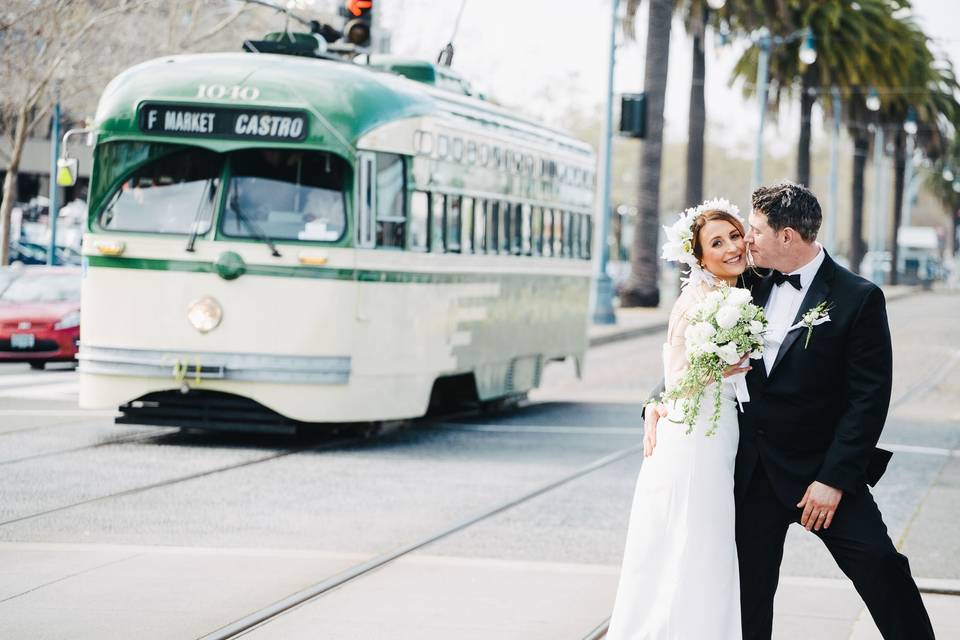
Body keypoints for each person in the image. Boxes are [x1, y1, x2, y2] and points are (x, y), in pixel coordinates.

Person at [643, 182, 934, 640]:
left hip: (821, 472)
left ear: (786, 237)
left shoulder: (858, 297)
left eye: (754, 230)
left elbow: (869, 398)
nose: (745, 240)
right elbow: (697, 349)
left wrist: (834, 480)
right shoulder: (746, 283)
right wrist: (655, 403)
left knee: (882, 567)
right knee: (748, 594)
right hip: (753, 473)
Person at [607, 199, 752, 640]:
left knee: (707, 541)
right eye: (717, 242)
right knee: (693, 538)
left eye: (734, 235)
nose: (732, 247)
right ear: (699, 256)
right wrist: (717, 367)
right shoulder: (697, 301)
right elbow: (677, 380)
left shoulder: (738, 293)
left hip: (721, 432)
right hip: (694, 437)